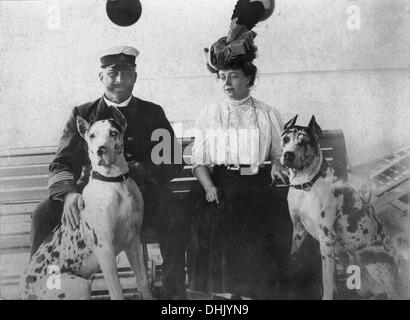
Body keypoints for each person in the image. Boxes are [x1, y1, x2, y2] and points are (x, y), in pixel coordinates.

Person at [29, 46, 189, 300]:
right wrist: (69, 194)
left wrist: (145, 170)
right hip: (92, 198)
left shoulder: (152, 113)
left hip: (142, 193)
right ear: (101, 77)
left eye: (126, 74)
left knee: (177, 214)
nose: (119, 80)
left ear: (135, 77)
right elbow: (61, 163)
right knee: (43, 214)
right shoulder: (82, 114)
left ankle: (174, 295)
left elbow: (172, 160)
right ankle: (45, 290)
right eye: (112, 73)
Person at [187, 1, 293, 299]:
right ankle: (227, 295)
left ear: (248, 77)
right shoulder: (211, 114)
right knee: (222, 216)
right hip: (222, 183)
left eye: (233, 76)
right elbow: (199, 161)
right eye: (222, 77)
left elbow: (277, 155)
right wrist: (209, 187)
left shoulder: (267, 114)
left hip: (258, 183)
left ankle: (256, 293)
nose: (226, 83)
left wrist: (276, 165)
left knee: (271, 220)